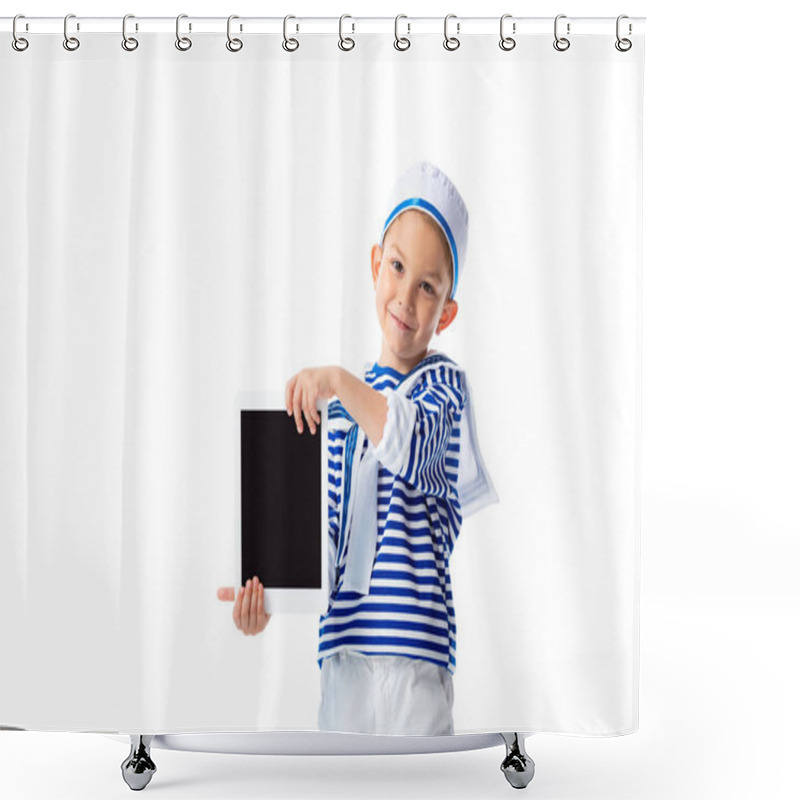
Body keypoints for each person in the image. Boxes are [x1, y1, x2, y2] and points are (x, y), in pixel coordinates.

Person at [218, 161, 497, 735]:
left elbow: (410, 442)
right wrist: (268, 595)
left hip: (417, 659)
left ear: (446, 311)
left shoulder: (443, 390)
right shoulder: (338, 414)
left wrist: (342, 381)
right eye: (397, 267)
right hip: (344, 652)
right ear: (376, 266)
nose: (406, 296)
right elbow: (329, 539)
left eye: (428, 286)